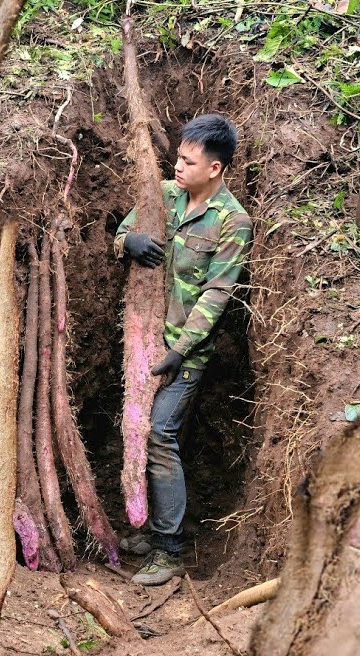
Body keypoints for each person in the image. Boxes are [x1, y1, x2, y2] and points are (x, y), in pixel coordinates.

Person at [113, 114, 252, 586]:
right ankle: (152, 532)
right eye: (178, 156)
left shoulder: (232, 222)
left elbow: (218, 292)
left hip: (184, 355)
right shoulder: (165, 195)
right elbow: (123, 232)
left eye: (189, 161)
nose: (178, 166)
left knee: (160, 437)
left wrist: (183, 349)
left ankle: (169, 551)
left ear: (214, 169)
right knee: (140, 434)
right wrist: (126, 241)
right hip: (145, 342)